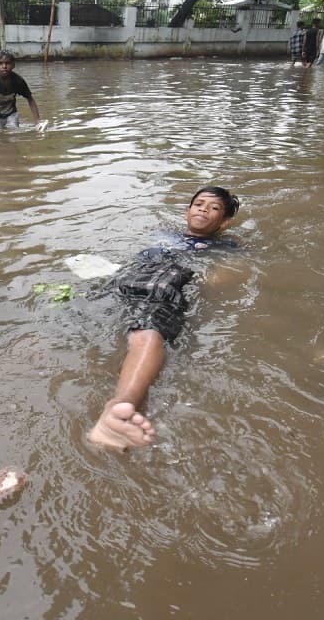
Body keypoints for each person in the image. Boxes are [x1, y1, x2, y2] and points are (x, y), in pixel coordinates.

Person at [88, 186, 241, 450]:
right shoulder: (164, 234)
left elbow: (222, 279)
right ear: (187, 212)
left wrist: (216, 274)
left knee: (147, 334)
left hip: (162, 288)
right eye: (199, 204)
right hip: (122, 282)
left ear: (224, 222)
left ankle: (118, 410)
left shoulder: (225, 246)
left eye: (214, 208)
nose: (204, 209)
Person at [0, 50, 41, 131]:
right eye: (0, 63)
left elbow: (30, 100)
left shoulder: (18, 81)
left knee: (14, 134)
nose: (4, 66)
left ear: (13, 65)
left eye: (7, 63)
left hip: (11, 113)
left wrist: (37, 122)